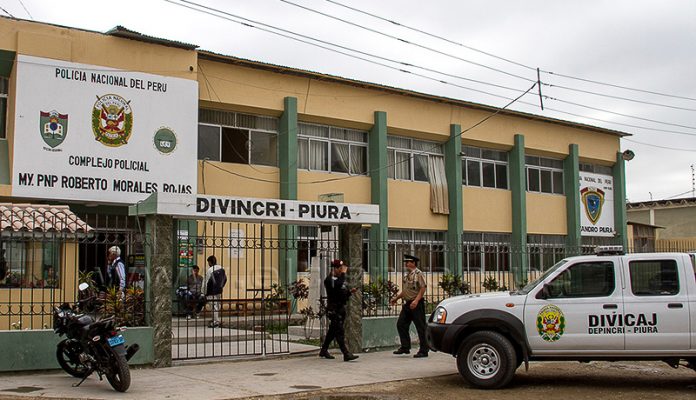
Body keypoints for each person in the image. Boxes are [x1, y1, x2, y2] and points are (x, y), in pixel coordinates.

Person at [319, 259, 359, 362]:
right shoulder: (329, 280)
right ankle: (346, 354)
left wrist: (350, 292)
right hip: (334, 310)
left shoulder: (338, 279)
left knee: (332, 331)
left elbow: (341, 293)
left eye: (342, 269)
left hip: (340, 308)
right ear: (335, 269)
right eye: (340, 269)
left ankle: (324, 350)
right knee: (339, 332)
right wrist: (344, 274)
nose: (341, 271)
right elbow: (337, 285)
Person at [390, 254, 429, 358]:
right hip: (408, 304)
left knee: (420, 327)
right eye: (406, 262)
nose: (406, 264)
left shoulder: (418, 274)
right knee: (401, 324)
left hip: (416, 304)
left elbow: (423, 288)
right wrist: (396, 298)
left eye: (408, 262)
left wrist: (416, 301)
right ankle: (405, 347)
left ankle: (424, 350)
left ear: (413, 263)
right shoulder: (407, 275)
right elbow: (406, 291)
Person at [202, 255, 226, 328]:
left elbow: (206, 282)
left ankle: (216, 322)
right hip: (219, 290)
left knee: (213, 306)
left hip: (211, 291)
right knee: (216, 306)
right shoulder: (221, 268)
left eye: (208, 262)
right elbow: (225, 279)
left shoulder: (210, 270)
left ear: (210, 262)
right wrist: (221, 286)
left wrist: (204, 292)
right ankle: (215, 320)